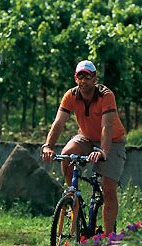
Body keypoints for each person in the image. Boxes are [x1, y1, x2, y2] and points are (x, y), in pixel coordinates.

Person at [41, 60, 126, 236]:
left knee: (108, 189)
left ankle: (109, 240)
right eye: (80, 77)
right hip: (86, 136)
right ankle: (73, 198)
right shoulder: (71, 95)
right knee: (66, 155)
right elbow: (59, 122)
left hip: (112, 141)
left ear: (95, 78)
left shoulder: (106, 95)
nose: (84, 80)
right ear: (75, 78)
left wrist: (101, 151)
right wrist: (48, 146)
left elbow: (106, 127)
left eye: (88, 76)